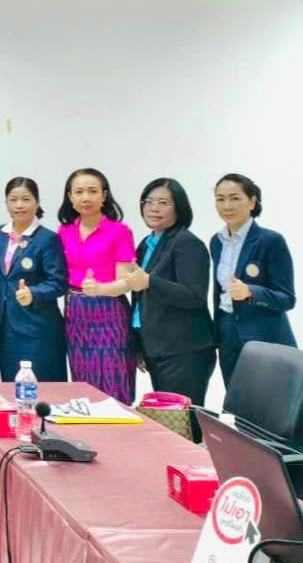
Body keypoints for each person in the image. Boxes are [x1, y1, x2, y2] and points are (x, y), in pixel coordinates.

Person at [127, 178, 216, 436]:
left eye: (163, 202)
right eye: (149, 202)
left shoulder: (187, 243)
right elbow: (140, 299)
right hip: (158, 347)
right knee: (171, 424)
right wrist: (139, 342)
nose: (154, 208)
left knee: (185, 426)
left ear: (179, 208)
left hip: (185, 350)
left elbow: (194, 296)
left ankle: (198, 473)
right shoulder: (148, 243)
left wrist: (149, 281)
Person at [56, 168, 137, 404]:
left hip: (109, 313)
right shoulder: (64, 231)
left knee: (112, 381)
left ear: (104, 196)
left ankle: (118, 438)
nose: (86, 198)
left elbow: (125, 282)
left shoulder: (119, 231)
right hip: (76, 313)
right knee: (83, 382)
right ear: (69, 197)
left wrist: (99, 289)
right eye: (79, 192)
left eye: (92, 191)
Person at [210, 173, 296, 386]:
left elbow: (287, 298)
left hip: (264, 337)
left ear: (252, 201)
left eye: (235, 198)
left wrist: (251, 292)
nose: (227, 205)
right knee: (235, 402)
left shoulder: (271, 241)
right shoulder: (217, 241)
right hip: (227, 333)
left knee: (266, 404)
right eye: (220, 199)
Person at [0, 177, 69, 382]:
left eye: (26, 199)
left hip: (38, 328)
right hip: (6, 326)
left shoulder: (47, 238)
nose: (19, 205)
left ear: (37, 202)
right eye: (13, 199)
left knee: (43, 389)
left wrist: (33, 293)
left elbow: (58, 282)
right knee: (11, 387)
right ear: (6, 203)